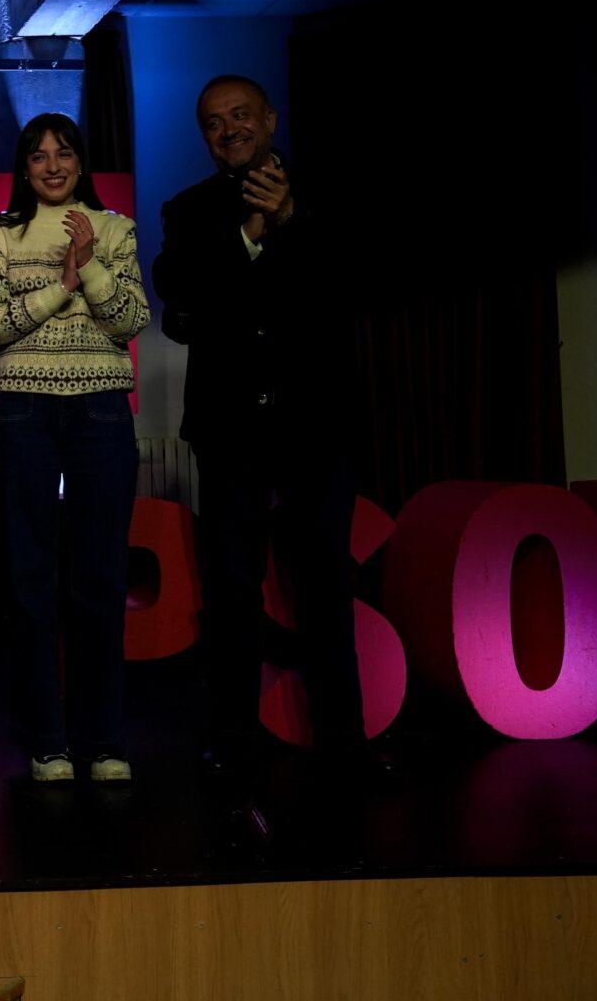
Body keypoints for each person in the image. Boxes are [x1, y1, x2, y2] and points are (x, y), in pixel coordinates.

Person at [151, 74, 371, 778]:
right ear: (205, 137)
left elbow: (349, 279)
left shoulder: (325, 197)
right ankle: (234, 741)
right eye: (215, 122)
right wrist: (247, 237)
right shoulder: (188, 210)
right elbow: (178, 290)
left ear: (270, 119)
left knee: (325, 587)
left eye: (241, 115)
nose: (230, 130)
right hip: (230, 429)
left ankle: (345, 744)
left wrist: (292, 219)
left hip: (315, 425)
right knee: (231, 590)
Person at [0, 112, 149, 784]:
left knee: (100, 576)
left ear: (81, 162)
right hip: (22, 410)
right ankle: (47, 739)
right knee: (29, 578)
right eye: (38, 155)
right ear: (23, 168)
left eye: (64, 153)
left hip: (101, 408)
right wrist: (64, 286)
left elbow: (131, 319)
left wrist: (92, 264)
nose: (52, 165)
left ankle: (103, 741)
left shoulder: (115, 230)